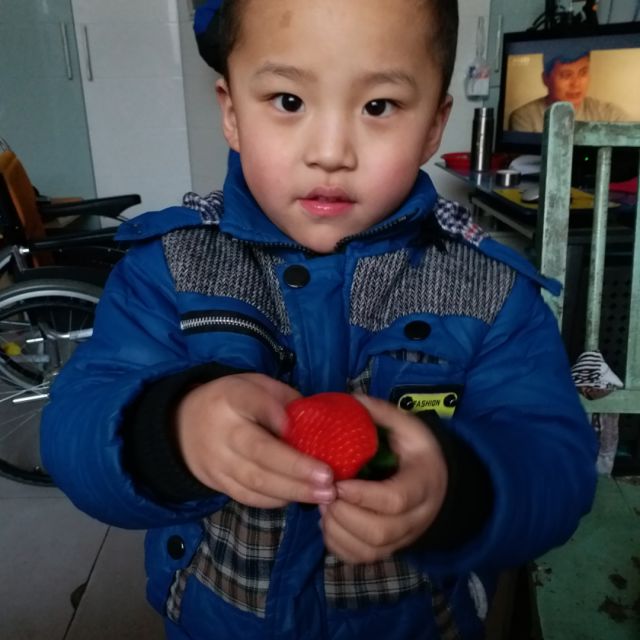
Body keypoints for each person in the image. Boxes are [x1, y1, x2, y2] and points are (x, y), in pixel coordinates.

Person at [41, 1, 597, 638]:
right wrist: (171, 428)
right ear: (231, 112)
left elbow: (558, 469)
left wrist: (457, 487)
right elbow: (74, 429)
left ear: (433, 126)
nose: (330, 152)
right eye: (288, 101)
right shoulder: (169, 270)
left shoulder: (490, 293)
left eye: (379, 106)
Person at [508, 50, 629, 132]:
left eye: (583, 73)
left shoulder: (611, 115)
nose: (576, 84)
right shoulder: (525, 118)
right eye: (566, 75)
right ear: (545, 79)